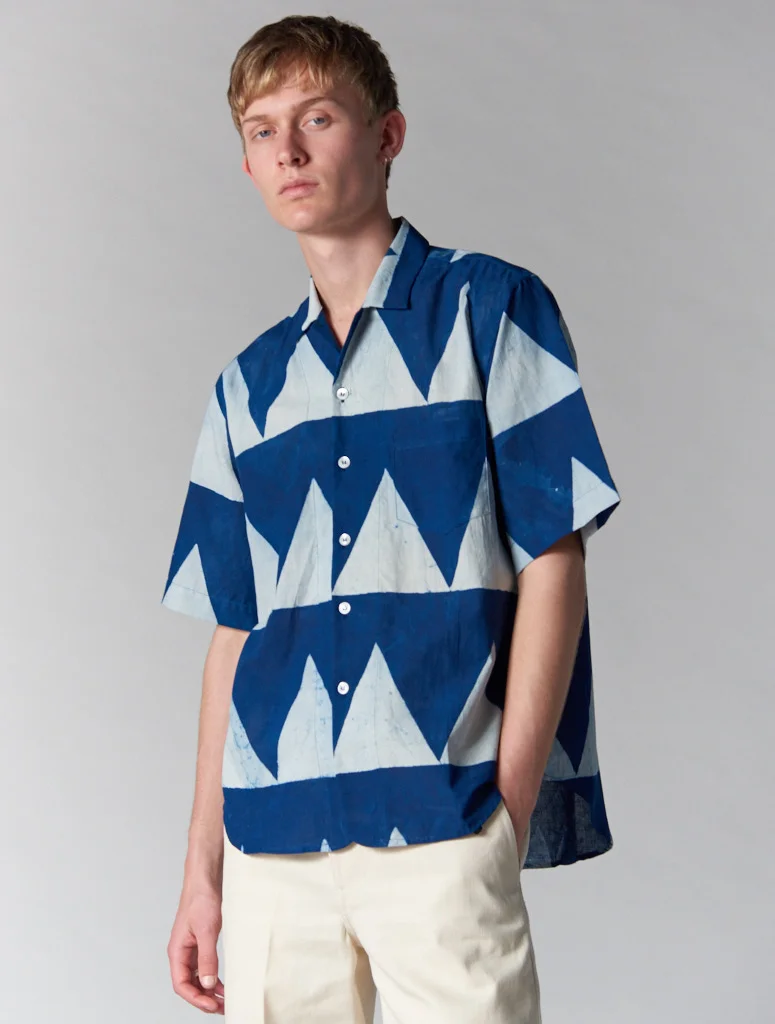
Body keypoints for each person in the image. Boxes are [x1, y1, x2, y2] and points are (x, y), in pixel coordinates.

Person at [160, 13, 621, 1023]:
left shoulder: (491, 309)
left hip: (441, 820)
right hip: (272, 844)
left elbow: (553, 555)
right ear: (246, 163)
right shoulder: (246, 387)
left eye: (316, 118)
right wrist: (202, 871)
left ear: (387, 135)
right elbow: (234, 632)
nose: (288, 150)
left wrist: (503, 805)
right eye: (262, 130)